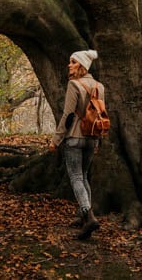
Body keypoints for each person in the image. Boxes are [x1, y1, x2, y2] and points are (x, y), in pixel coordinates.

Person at [48, 49, 105, 240]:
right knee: (84, 176)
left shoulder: (74, 85)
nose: (69, 65)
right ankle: (83, 215)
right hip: (92, 138)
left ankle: (89, 216)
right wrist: (98, 141)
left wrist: (56, 140)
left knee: (76, 177)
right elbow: (101, 115)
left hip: (74, 137)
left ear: (81, 65)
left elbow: (68, 115)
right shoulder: (99, 86)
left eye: (72, 62)